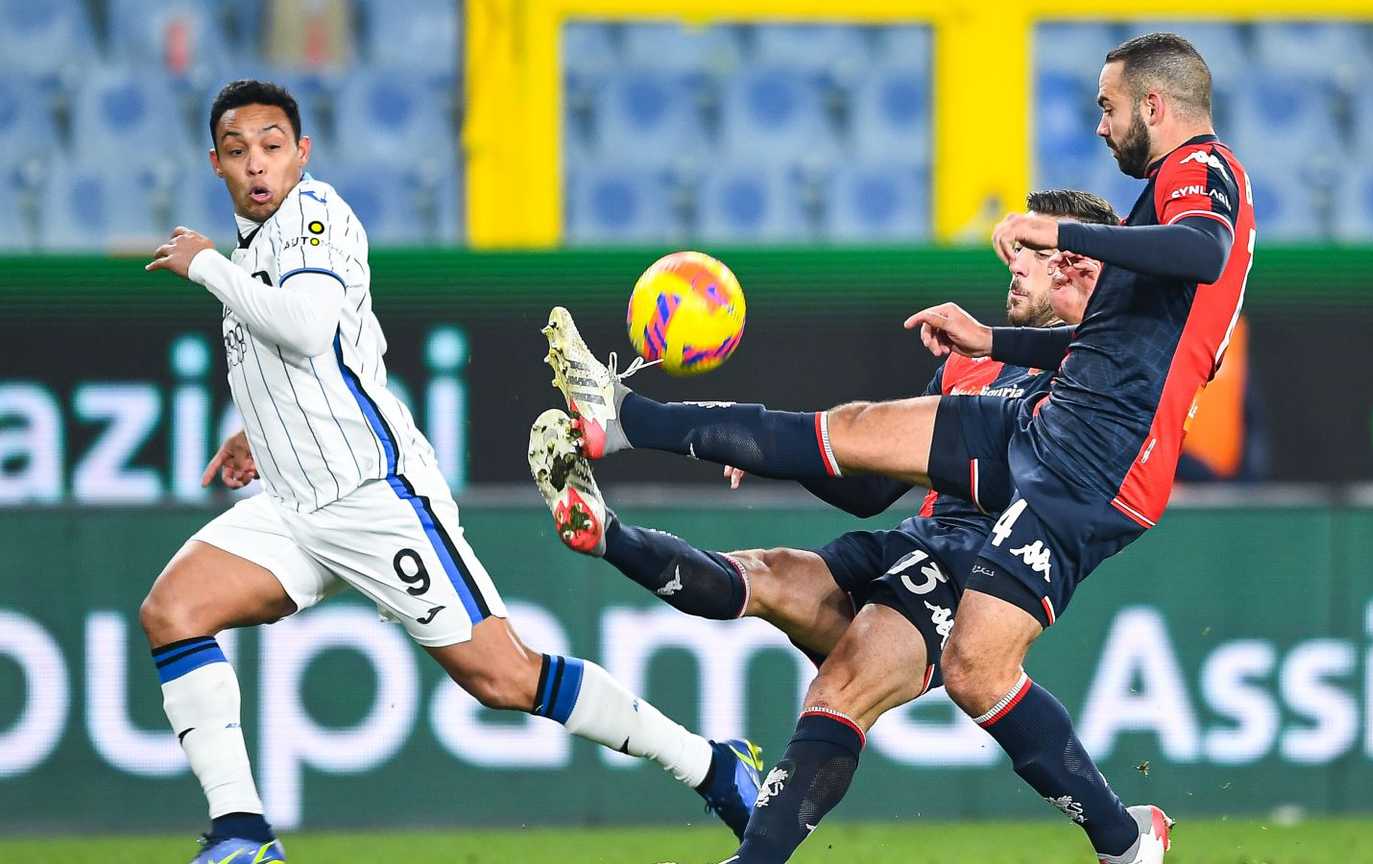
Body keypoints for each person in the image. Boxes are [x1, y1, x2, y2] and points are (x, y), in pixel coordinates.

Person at [545, 32, 1255, 863]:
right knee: (841, 437)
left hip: (1092, 464)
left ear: (1154, 105)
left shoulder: (1204, 169)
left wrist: (1060, 226)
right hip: (1049, 436)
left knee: (974, 671)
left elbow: (1202, 250)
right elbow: (1086, 357)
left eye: (1108, 106)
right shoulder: (1070, 317)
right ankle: (623, 416)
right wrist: (982, 334)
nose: (1101, 126)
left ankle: (1123, 840)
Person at [140, 79, 760, 864]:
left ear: (302, 153)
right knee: (174, 611)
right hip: (296, 503)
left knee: (504, 678)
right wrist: (257, 431)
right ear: (216, 164)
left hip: (376, 497)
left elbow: (304, 328)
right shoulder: (253, 248)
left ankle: (712, 766)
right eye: (238, 152)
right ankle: (242, 834)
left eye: (272, 146)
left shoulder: (315, 218)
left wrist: (203, 267)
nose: (257, 165)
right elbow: (316, 362)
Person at [533, 190, 1114, 864]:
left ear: (1081, 269)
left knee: (842, 685)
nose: (1014, 264)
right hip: (916, 543)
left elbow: (1014, 476)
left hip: (982, 574)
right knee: (772, 576)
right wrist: (777, 452)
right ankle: (605, 532)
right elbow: (870, 488)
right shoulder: (968, 361)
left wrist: (782, 444)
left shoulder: (1091, 379)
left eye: (1036, 253)